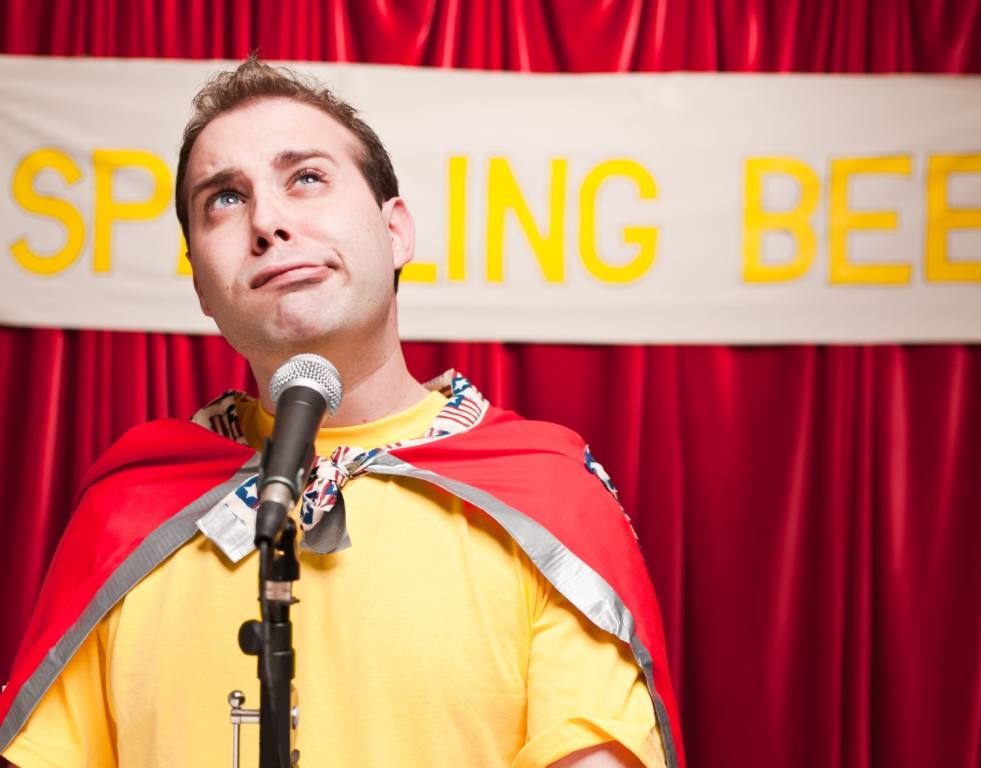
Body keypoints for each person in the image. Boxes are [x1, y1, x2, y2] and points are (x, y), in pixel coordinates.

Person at [0, 56, 684, 767]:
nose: (267, 220)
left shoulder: (552, 503)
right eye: (224, 200)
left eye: (306, 177)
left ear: (397, 233)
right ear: (201, 284)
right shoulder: (127, 512)